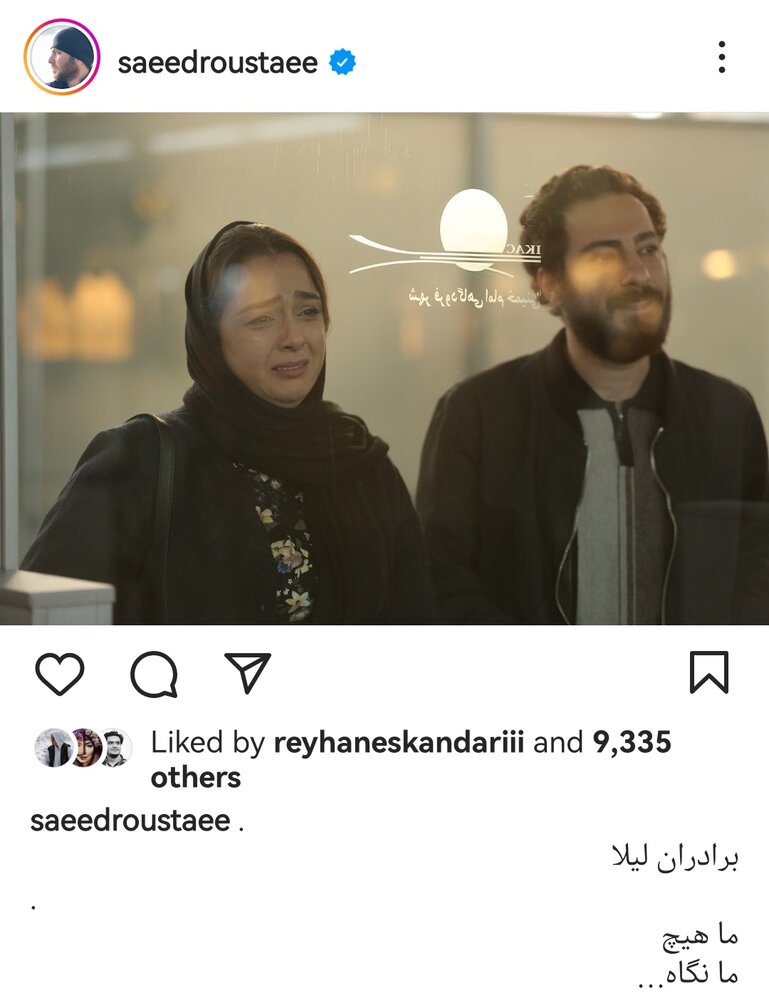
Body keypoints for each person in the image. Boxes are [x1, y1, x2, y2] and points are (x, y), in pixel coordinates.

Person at [23, 222, 437, 624]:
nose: (293, 337)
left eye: (308, 312)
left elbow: (418, 632)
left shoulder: (360, 463)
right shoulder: (137, 462)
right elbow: (43, 625)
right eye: (261, 319)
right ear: (211, 338)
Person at [417, 165, 769, 624]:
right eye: (604, 256)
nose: (637, 272)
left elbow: (756, 572)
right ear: (550, 283)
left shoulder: (727, 414)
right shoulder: (479, 415)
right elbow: (442, 584)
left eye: (647, 249)